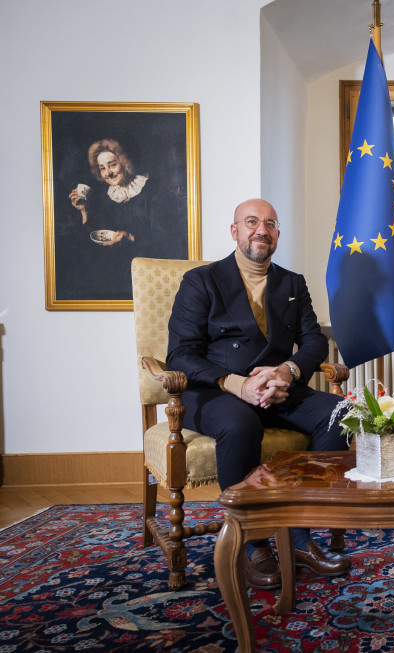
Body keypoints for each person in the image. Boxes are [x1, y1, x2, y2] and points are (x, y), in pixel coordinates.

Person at [167, 198, 350, 589]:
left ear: (278, 234)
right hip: (215, 392)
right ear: (235, 231)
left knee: (340, 413)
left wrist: (287, 371)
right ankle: (253, 543)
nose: (260, 230)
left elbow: (314, 342)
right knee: (240, 424)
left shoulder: (292, 282)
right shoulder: (201, 281)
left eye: (269, 223)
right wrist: (239, 385)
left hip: (279, 389)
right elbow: (180, 354)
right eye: (251, 222)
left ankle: (299, 537)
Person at [63, 137, 186, 300]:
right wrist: (83, 212)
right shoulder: (105, 196)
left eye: (112, 164)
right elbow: (93, 241)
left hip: (146, 274)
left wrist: (131, 237)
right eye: (102, 168)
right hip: (112, 273)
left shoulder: (153, 190)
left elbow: (166, 241)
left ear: (125, 161)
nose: (108, 173)